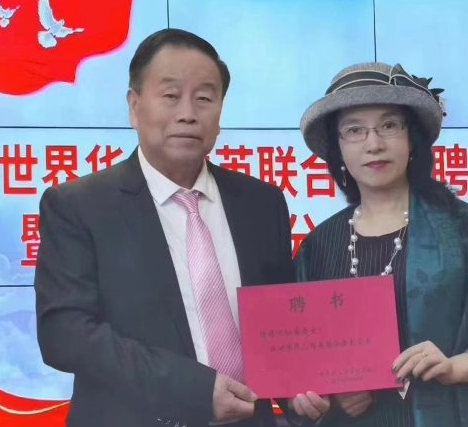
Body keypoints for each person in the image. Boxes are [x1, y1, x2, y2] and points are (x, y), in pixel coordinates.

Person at [34, 28, 294, 427]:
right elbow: (64, 334)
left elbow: (284, 324)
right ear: (134, 106)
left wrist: (302, 394)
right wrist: (193, 390)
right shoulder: (78, 205)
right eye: (171, 96)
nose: (188, 113)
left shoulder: (262, 203)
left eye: (204, 98)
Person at [283, 62, 468, 426]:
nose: (374, 144)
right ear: (337, 149)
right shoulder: (318, 246)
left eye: (389, 125)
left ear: (412, 141)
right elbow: (298, 359)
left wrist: (459, 367)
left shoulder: (461, 227)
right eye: (354, 130)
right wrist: (327, 392)